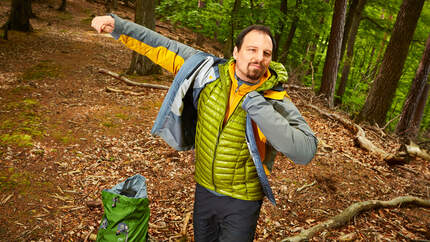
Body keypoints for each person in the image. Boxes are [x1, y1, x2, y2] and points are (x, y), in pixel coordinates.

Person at [91, 14, 318, 242]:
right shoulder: (206, 72)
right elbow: (162, 46)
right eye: (252, 49)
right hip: (204, 191)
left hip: (243, 202)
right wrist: (119, 26)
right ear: (236, 52)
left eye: (266, 53)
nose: (259, 57)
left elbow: (305, 150)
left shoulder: (275, 99)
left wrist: (257, 104)